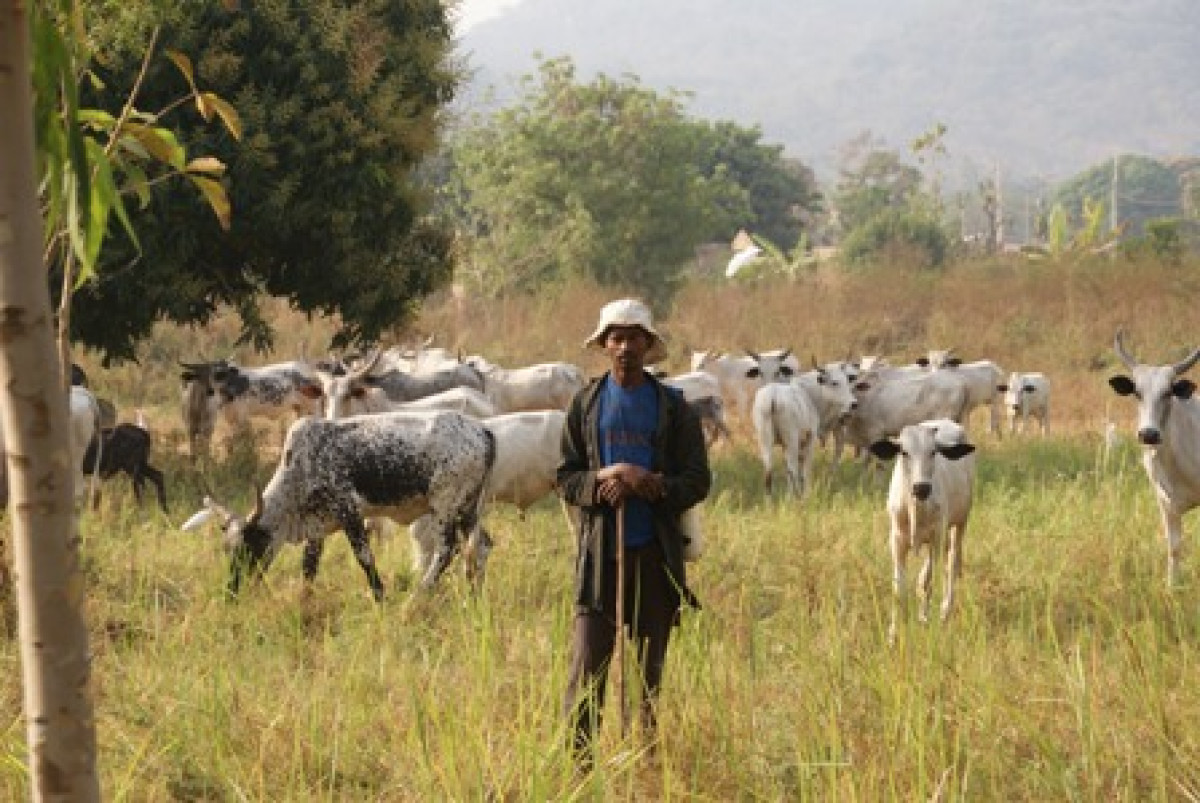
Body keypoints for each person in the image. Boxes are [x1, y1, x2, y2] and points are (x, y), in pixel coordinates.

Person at [556, 298, 711, 764]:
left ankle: (646, 760)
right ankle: (578, 766)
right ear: (604, 345)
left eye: (634, 338)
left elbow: (698, 480)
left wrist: (653, 484)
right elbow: (566, 477)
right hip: (601, 554)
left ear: (648, 345)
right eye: (616, 338)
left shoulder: (674, 410)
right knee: (587, 666)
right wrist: (600, 483)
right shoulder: (585, 404)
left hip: (653, 553)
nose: (624, 346)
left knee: (648, 671)